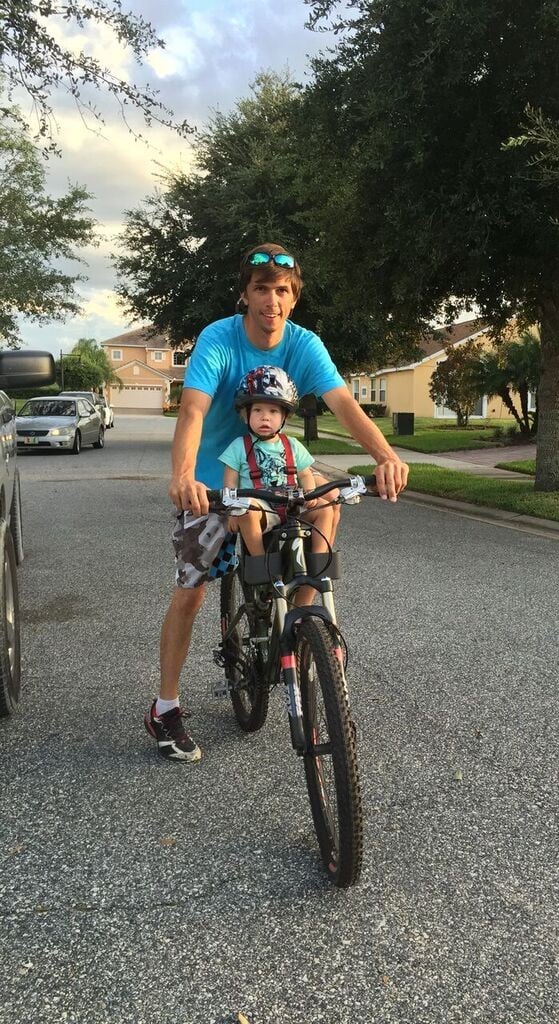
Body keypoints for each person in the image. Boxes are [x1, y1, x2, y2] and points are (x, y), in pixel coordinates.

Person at [145, 241, 408, 763]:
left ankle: (304, 631)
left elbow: (344, 404)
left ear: (293, 298)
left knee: (324, 510)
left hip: (283, 479)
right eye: (261, 289)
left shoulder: (305, 345)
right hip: (214, 482)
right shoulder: (219, 339)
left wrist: (386, 456)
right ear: (245, 294)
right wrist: (181, 476)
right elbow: (193, 411)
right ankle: (165, 706)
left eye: (282, 290)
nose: (272, 300)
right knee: (193, 587)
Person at [219, 365, 337, 586]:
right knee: (246, 509)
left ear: (284, 416)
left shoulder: (292, 445)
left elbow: (305, 474)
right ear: (246, 415)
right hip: (262, 508)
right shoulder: (238, 446)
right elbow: (230, 484)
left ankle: (319, 566)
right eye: (258, 411)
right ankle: (264, 567)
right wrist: (232, 511)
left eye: (273, 412)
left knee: (326, 509)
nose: (265, 418)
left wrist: (310, 496)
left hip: (293, 505)